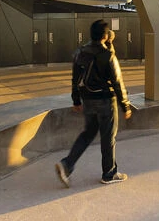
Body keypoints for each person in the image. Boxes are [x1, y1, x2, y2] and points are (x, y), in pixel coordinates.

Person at [56, 20, 133, 187]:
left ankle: (67, 164)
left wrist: (76, 100)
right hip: (105, 101)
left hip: (88, 101)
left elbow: (75, 79)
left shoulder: (80, 53)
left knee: (87, 133)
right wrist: (125, 105)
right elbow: (117, 81)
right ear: (105, 36)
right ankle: (109, 173)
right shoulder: (108, 55)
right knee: (108, 137)